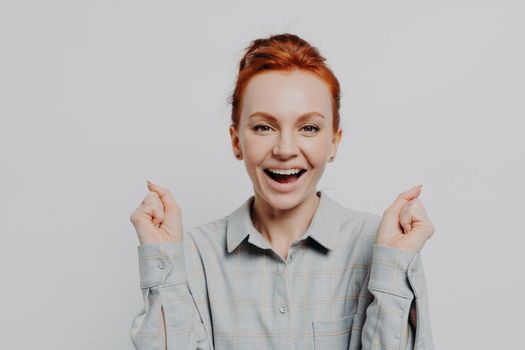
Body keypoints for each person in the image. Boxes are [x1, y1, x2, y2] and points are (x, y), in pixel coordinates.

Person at [129, 33, 435, 350]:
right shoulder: (192, 256)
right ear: (237, 141)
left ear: (334, 142)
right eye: (264, 126)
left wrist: (393, 266)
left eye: (309, 128)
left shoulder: (382, 247)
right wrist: (162, 259)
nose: (285, 149)